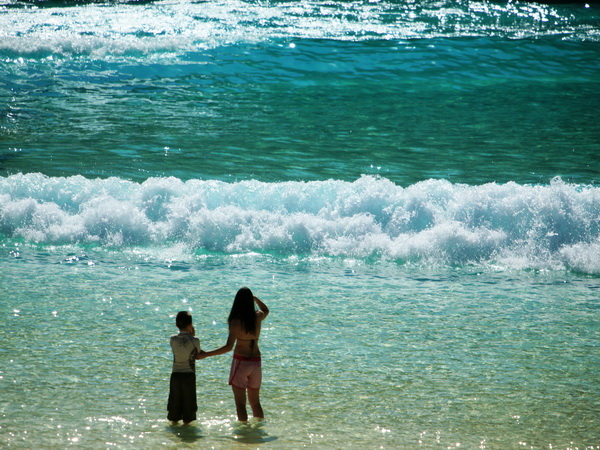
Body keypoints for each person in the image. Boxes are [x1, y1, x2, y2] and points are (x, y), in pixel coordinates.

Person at [199, 287, 269, 422]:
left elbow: (228, 347)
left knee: (240, 404)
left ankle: (244, 433)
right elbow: (266, 310)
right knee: (255, 403)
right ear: (250, 302)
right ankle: (258, 431)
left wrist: (206, 354)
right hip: (256, 362)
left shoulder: (236, 322)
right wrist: (255, 299)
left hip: (241, 362)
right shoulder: (257, 317)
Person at [167, 311, 202, 425]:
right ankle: (186, 433)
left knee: (174, 408)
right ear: (190, 325)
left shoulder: (172, 339)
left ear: (177, 324)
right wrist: (193, 332)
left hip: (175, 375)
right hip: (189, 376)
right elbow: (197, 354)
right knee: (189, 411)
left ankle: (174, 430)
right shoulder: (195, 340)